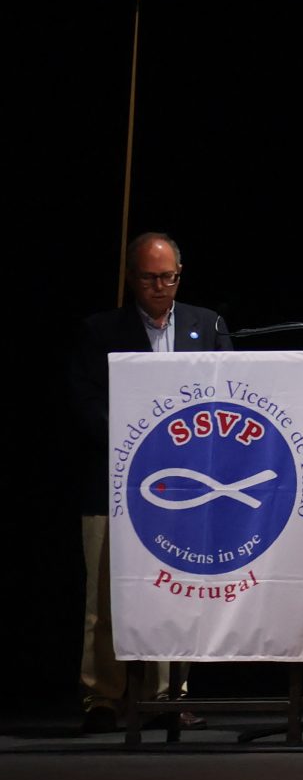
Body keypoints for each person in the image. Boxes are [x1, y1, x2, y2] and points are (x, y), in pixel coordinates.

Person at [66, 233, 232, 729]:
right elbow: (85, 402)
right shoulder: (99, 330)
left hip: (187, 484)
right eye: (148, 277)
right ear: (130, 277)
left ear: (181, 273)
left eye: (168, 277)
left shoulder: (208, 324)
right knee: (105, 596)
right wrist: (136, 443)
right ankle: (103, 698)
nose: (160, 286)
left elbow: (229, 394)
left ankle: (168, 695)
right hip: (113, 481)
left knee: (175, 590)